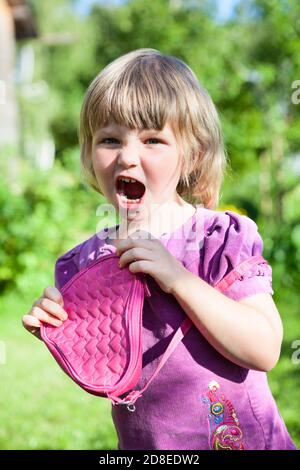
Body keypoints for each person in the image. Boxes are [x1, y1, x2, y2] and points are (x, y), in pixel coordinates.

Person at [22, 48, 297, 450]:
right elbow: (114, 375)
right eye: (109, 139)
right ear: (89, 154)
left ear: (192, 154)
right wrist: (63, 335)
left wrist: (178, 278)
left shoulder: (218, 238)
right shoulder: (84, 264)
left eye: (153, 140)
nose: (127, 157)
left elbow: (264, 349)